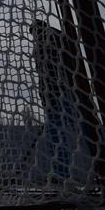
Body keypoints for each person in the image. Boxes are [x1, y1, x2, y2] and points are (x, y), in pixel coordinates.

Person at [30, 19, 78, 180]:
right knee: (57, 135)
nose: (35, 37)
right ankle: (60, 173)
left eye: (36, 32)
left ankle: (62, 173)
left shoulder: (54, 40)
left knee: (63, 132)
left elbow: (68, 63)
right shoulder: (41, 47)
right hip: (54, 96)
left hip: (64, 93)